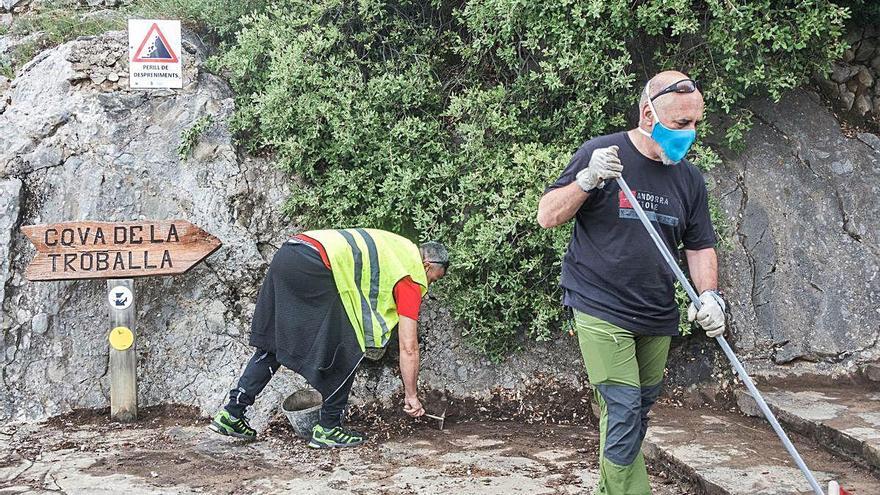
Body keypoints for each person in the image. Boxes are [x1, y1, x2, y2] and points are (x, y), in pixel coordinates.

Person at [536, 70, 725, 494]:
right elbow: (547, 215)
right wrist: (586, 180)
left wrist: (710, 297)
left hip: (657, 312)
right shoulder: (604, 153)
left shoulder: (689, 179)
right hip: (601, 306)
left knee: (637, 411)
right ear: (647, 114)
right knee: (622, 410)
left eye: (695, 124)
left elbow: (699, 246)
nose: (690, 134)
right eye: (680, 124)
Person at [208, 228, 449, 448]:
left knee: (273, 343)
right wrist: (411, 395)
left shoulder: (399, 247)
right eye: (433, 279)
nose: (428, 285)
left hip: (291, 252)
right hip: (316, 265)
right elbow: (409, 347)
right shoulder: (411, 276)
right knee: (348, 346)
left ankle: (232, 412)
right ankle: (329, 427)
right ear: (427, 265)